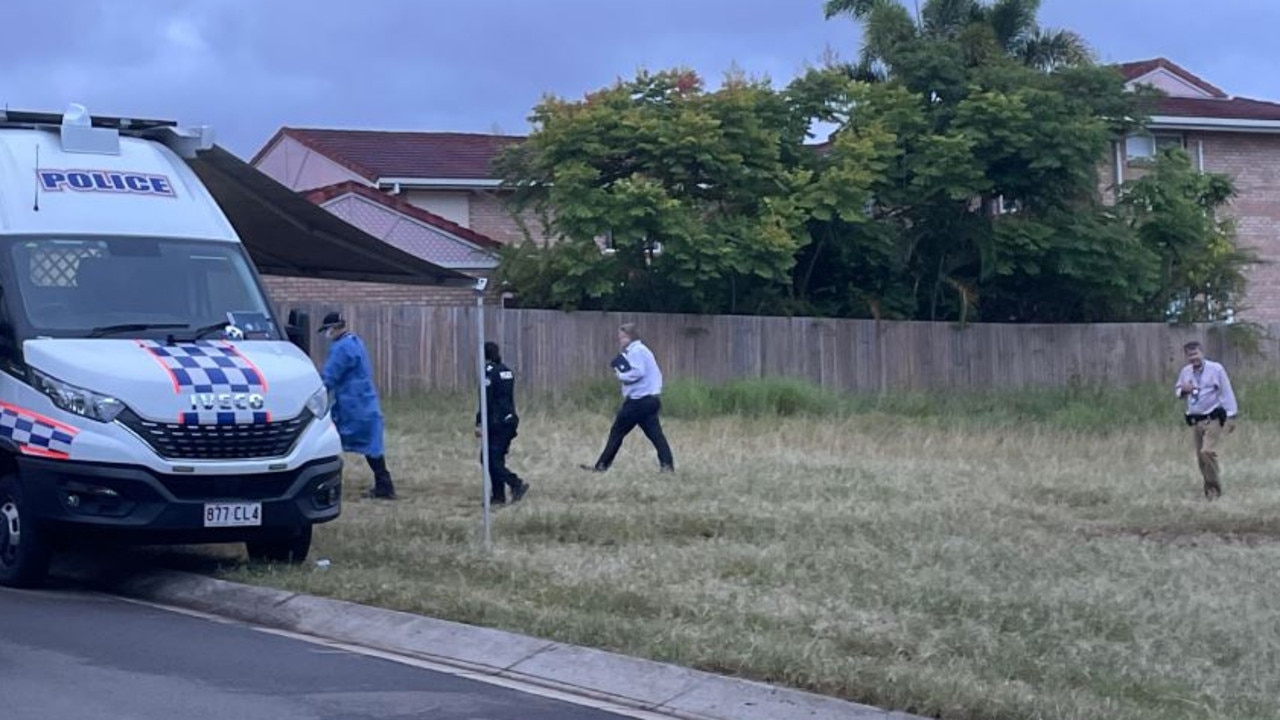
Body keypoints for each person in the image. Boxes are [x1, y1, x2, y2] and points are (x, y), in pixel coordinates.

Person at [319, 311, 396, 500]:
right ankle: (384, 485)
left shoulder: (341, 348)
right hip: (365, 402)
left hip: (353, 406)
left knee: (324, 443)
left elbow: (330, 377)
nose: (326, 335)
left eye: (327, 330)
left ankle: (324, 484)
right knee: (372, 446)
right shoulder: (355, 342)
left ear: (334, 328)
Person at [581, 323, 674, 473]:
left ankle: (601, 467)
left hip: (638, 401)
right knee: (656, 435)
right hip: (650, 400)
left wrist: (621, 375)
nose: (621, 339)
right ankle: (667, 466)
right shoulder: (642, 350)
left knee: (617, 432)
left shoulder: (636, 351)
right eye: (620, 337)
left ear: (631, 336)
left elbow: (638, 372)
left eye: (623, 337)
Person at [1174, 340, 1238, 500]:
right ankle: (1209, 491)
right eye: (1189, 355)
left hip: (1213, 417)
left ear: (1202, 353)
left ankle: (1215, 490)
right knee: (1200, 458)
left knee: (1207, 452)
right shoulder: (1186, 372)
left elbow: (1226, 391)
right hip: (1196, 419)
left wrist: (1231, 416)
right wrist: (1184, 390)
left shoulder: (1216, 369)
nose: (1193, 358)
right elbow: (1178, 391)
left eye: (1195, 353)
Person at [476, 341, 529, 506]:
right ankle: (498, 496)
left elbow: (486, 400)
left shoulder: (489, 373)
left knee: (489, 459)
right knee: (494, 459)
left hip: (497, 423)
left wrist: (479, 422)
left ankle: (515, 483)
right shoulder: (507, 371)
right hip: (509, 420)